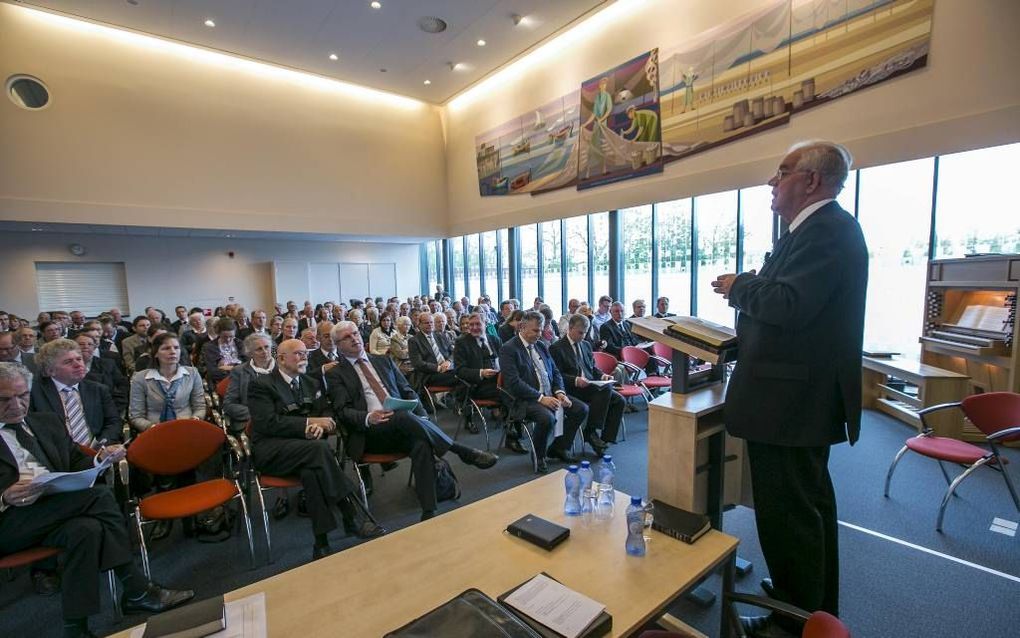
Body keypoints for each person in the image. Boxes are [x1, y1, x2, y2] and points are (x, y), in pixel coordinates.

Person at [711, 140, 867, 637]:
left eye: (780, 172)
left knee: (790, 520)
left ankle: (795, 623)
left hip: (790, 405)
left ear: (811, 180)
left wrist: (739, 285)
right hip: (794, 401)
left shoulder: (827, 231)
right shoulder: (812, 232)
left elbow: (789, 305)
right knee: (805, 513)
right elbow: (792, 303)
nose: (771, 183)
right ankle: (810, 611)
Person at [0, 363, 194, 638]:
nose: (17, 405)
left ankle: (76, 629)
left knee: (85, 531)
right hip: (9, 520)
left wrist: (98, 459)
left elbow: (73, 459)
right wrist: (4, 495)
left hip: (54, 508)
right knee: (100, 496)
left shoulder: (45, 421)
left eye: (22, 396)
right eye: (5, 399)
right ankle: (137, 588)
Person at [325, 321, 498, 521]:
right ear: (337, 344)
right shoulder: (335, 374)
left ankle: (429, 510)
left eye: (355, 333)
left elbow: (408, 392)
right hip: (371, 432)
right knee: (404, 416)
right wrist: (368, 417)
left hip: (404, 426)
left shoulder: (383, 361)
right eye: (347, 337)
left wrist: (423, 418)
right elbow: (342, 411)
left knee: (421, 443)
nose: (354, 338)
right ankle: (461, 450)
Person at [248, 338, 383, 559]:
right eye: (298, 354)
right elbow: (267, 424)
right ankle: (351, 515)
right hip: (271, 450)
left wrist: (324, 424)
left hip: (307, 450)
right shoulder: (261, 385)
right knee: (320, 451)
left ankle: (321, 542)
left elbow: (326, 412)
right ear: (281, 358)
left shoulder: (310, 382)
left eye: (306, 354)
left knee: (312, 472)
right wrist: (309, 424)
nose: (304, 357)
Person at [499, 311, 587, 473]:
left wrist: (560, 392)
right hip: (524, 398)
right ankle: (539, 456)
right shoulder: (509, 349)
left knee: (581, 409)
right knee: (547, 418)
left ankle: (559, 448)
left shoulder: (541, 346)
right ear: (522, 327)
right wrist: (540, 398)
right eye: (535, 330)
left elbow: (555, 372)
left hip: (549, 393)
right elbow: (514, 383)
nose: (539, 334)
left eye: (540, 330)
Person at [550, 314, 624, 454]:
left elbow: (592, 368)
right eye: (580, 332)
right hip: (571, 388)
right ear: (570, 328)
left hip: (590, 386)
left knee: (619, 400)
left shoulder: (586, 345)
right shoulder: (557, 347)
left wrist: (602, 375)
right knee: (604, 391)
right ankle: (591, 433)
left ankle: (604, 439)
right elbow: (556, 375)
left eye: (586, 332)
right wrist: (575, 380)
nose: (583, 336)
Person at [30, 339, 123, 447]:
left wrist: (100, 445)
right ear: (49, 370)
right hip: (56, 456)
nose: (78, 365)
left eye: (79, 359)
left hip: (96, 453)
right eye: (68, 362)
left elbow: (113, 422)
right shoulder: (34, 392)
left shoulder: (98, 389)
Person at [128, 333, 206, 432]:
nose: (173, 352)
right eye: (166, 348)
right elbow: (136, 416)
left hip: (187, 426)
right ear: (155, 353)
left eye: (176, 348)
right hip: (154, 429)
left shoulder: (192, 373)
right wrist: (153, 427)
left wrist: (195, 419)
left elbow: (200, 407)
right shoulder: (140, 378)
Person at [453, 313, 509, 440]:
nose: (473, 327)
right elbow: (459, 371)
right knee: (509, 392)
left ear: (486, 324)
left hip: (497, 380)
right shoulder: (462, 342)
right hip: (475, 385)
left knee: (514, 387)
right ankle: (510, 426)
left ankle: (510, 422)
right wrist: (481, 373)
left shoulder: (495, 340)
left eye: (478, 324)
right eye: (470, 324)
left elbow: (505, 361)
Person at [222, 333, 275, 431]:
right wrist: (257, 414)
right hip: (252, 421)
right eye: (259, 349)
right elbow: (229, 404)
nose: (265, 351)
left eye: (267, 347)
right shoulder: (239, 372)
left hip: (280, 419)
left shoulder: (283, 368)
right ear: (250, 353)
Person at [408, 312, 458, 394]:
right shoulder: (414, 341)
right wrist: (438, 368)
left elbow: (454, 352)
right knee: (462, 376)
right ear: (419, 324)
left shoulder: (440, 335)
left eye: (431, 322)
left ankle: (459, 402)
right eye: (426, 323)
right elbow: (417, 363)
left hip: (448, 369)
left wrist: (448, 361)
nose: (430, 325)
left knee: (466, 372)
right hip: (430, 374)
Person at [202, 317, 245, 384]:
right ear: (218, 333)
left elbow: (247, 365)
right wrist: (237, 367)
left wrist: (227, 367)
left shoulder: (240, 343)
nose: (228, 340)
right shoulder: (209, 347)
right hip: (220, 381)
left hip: (242, 379)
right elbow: (213, 371)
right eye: (224, 336)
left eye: (231, 336)